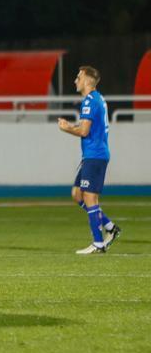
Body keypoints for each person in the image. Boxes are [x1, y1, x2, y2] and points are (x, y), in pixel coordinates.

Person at [58, 65, 121, 254]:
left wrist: (66, 127)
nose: (75, 80)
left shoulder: (89, 101)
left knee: (90, 197)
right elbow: (88, 127)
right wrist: (73, 126)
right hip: (92, 155)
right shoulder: (97, 98)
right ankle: (109, 227)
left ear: (86, 80)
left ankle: (98, 242)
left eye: (78, 77)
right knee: (77, 194)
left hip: (95, 155)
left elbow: (84, 131)